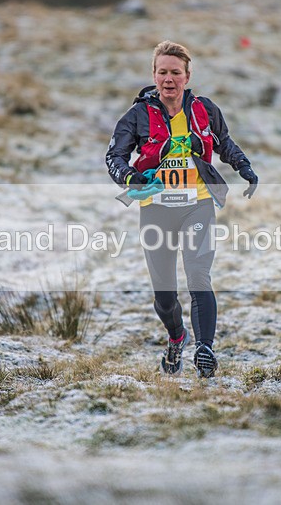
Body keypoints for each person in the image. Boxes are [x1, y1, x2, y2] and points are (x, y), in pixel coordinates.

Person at [105, 40, 258, 378]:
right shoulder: (138, 116)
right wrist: (132, 176)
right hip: (156, 210)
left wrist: (244, 167)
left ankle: (205, 349)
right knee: (164, 294)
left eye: (176, 72)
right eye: (163, 72)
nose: (169, 79)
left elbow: (224, 142)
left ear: (187, 76)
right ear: (154, 75)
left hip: (197, 206)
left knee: (199, 276)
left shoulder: (203, 110)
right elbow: (113, 157)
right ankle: (177, 337)